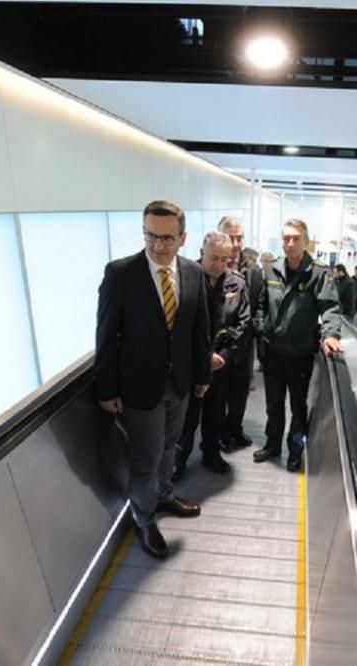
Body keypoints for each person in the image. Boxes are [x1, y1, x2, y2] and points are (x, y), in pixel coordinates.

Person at [95, 200, 211, 560]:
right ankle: (144, 518)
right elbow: (106, 334)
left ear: (182, 237)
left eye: (166, 238)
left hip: (181, 383)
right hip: (139, 386)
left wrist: (203, 374)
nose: (158, 246)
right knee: (145, 456)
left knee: (169, 446)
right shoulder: (121, 273)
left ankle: (163, 495)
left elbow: (199, 329)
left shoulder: (192, 272)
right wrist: (107, 388)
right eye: (150, 236)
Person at [255, 219, 343, 472]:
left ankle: (295, 450)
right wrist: (262, 327)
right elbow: (261, 303)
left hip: (300, 354)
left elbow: (330, 307)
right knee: (273, 404)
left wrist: (331, 334)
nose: (290, 243)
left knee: (297, 406)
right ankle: (273, 445)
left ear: (306, 241)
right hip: (273, 352)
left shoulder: (318, 273)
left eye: (296, 238)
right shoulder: (271, 269)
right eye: (286, 238)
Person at [173, 231, 250, 480]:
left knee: (215, 413)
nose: (219, 265)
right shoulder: (185, 279)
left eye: (225, 259)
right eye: (213, 258)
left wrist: (224, 355)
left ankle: (211, 452)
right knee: (187, 418)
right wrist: (203, 357)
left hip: (221, 363)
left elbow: (242, 323)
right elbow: (177, 325)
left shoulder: (236, 283)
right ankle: (178, 460)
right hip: (192, 365)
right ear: (201, 253)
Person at [215, 216, 257, 450]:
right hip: (221, 348)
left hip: (244, 348)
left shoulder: (253, 270)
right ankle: (220, 433)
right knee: (218, 395)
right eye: (231, 237)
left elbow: (256, 307)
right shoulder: (209, 267)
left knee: (240, 393)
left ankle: (235, 429)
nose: (236, 243)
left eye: (239, 237)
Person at [240, 247, 264, 391]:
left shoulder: (253, 271)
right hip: (250, 320)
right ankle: (249, 378)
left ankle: (248, 378)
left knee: (248, 352)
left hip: (249, 320)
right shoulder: (255, 271)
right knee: (249, 352)